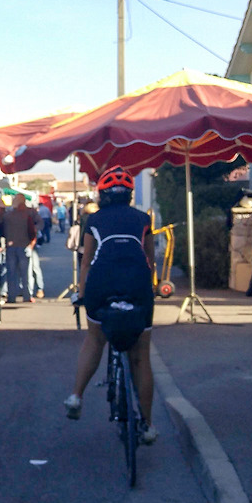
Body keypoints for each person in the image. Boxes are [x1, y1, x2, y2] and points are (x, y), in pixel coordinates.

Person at [65, 167, 157, 445]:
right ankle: (148, 425)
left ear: (102, 195)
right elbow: (150, 260)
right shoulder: (143, 219)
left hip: (101, 285)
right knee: (141, 354)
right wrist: (149, 288)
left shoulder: (94, 219)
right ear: (129, 194)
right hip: (137, 287)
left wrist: (82, 294)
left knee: (95, 339)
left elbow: (86, 262)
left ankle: (76, 396)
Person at [1, 194, 39, 303]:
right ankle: (27, 295)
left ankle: (11, 296)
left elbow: (2, 230)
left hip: (10, 246)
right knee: (26, 273)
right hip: (24, 245)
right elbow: (32, 231)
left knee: (11, 273)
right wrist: (31, 241)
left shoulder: (7, 216)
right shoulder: (27, 216)